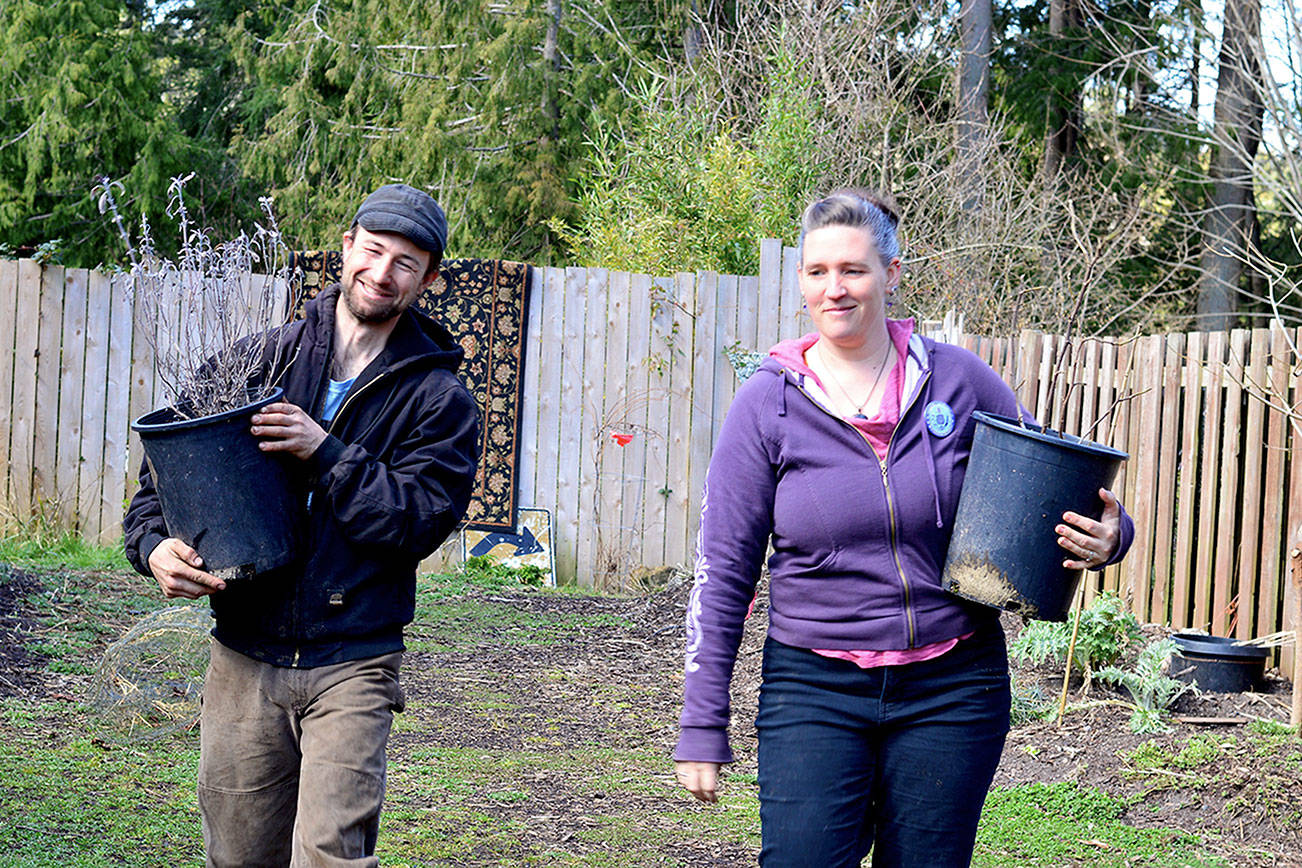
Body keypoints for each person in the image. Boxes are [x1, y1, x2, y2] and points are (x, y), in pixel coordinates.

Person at [673, 189, 1134, 867]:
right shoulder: (766, 405)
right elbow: (722, 575)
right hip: (815, 686)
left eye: (853, 270)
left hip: (954, 686)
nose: (835, 288)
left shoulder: (959, 382)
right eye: (817, 271)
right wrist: (702, 722)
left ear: (890, 274)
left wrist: (1109, 539)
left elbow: (1052, 487)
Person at [124, 183, 480, 867]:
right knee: (239, 855)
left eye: (406, 262)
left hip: (354, 660)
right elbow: (161, 479)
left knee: (329, 856)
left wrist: (327, 454)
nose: (383, 272)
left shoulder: (440, 400)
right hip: (243, 656)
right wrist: (153, 547)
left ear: (429, 278)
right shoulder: (260, 362)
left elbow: (417, 521)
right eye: (373, 251)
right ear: (345, 249)